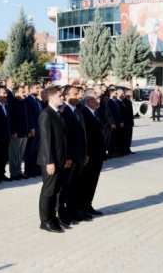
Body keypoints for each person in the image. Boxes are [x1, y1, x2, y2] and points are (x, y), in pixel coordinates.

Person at [37, 85, 69, 233]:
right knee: (48, 191)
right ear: (51, 98)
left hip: (60, 158)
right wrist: (49, 161)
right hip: (50, 161)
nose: (62, 98)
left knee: (56, 190)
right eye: (60, 96)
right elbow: (46, 140)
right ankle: (45, 221)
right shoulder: (46, 114)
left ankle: (53, 217)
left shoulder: (58, 113)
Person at [59, 85, 91, 227]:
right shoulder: (63, 112)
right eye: (75, 94)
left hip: (79, 155)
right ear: (66, 96)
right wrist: (67, 157)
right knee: (64, 187)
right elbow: (64, 138)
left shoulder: (78, 111)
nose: (78, 96)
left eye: (79, 94)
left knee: (75, 185)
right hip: (69, 157)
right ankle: (61, 213)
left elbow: (83, 135)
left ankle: (73, 210)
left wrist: (85, 153)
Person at [80, 91, 105, 217]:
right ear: (88, 101)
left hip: (98, 154)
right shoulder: (83, 113)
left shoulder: (95, 112)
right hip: (89, 155)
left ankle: (88, 205)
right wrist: (86, 154)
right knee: (86, 181)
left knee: (93, 181)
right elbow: (84, 136)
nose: (99, 101)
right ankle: (82, 207)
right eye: (96, 98)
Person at [8, 86, 29, 180]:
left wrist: (28, 130)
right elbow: (11, 119)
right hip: (16, 133)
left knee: (21, 154)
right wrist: (13, 131)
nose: (24, 93)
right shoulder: (12, 103)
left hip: (24, 132)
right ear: (16, 93)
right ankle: (13, 173)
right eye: (22, 91)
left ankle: (19, 171)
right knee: (14, 154)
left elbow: (26, 118)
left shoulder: (24, 102)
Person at [23, 83, 43, 177]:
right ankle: (29, 170)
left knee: (37, 150)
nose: (38, 90)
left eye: (39, 88)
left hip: (39, 129)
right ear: (30, 89)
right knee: (30, 151)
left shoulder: (37, 101)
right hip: (33, 129)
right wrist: (31, 128)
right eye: (36, 88)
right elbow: (29, 115)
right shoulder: (28, 100)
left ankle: (36, 169)